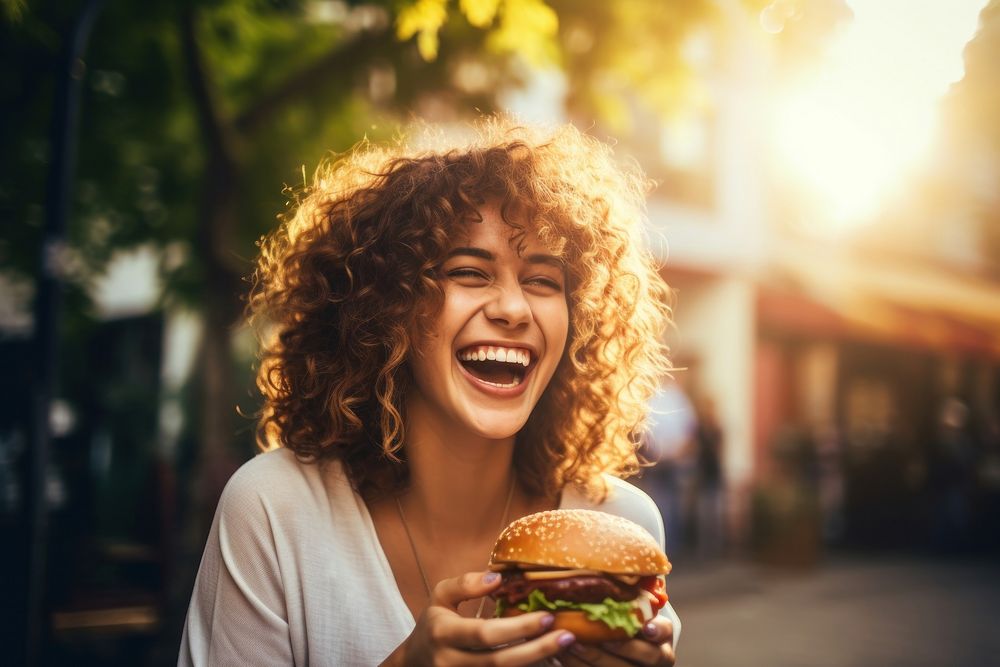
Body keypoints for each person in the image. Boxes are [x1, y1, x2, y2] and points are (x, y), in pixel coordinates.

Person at [179, 117, 679, 666]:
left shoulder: (622, 525)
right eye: (468, 272)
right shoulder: (272, 511)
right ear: (386, 307)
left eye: (542, 280)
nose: (513, 309)